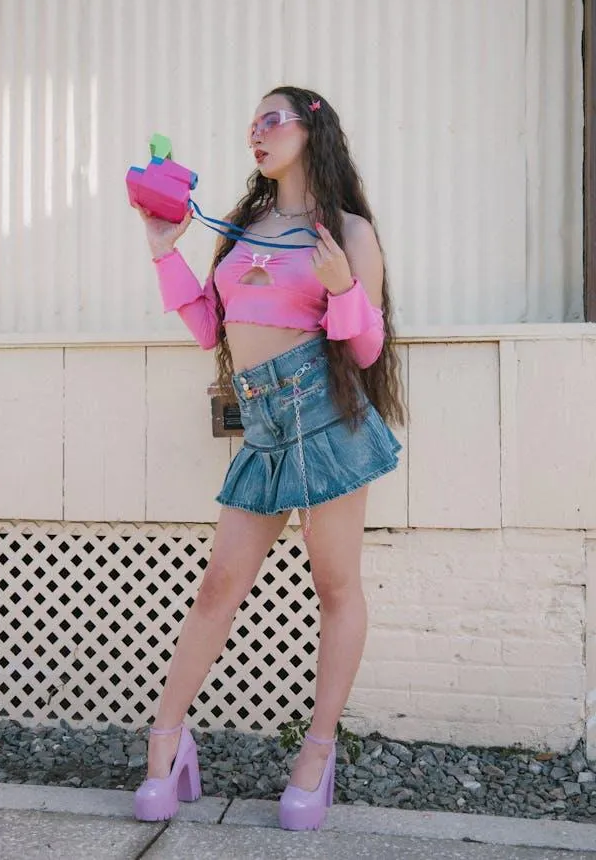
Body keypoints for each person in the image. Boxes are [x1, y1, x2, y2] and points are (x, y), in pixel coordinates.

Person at [133, 86, 405, 831]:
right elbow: (206, 327)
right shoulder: (246, 225)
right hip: (261, 422)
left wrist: (344, 287)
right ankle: (167, 740)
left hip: (325, 416)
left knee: (335, 586)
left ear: (312, 128)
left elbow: (368, 348)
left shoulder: (347, 230)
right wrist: (165, 251)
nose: (257, 131)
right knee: (220, 584)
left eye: (272, 118)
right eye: (252, 122)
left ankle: (316, 757)